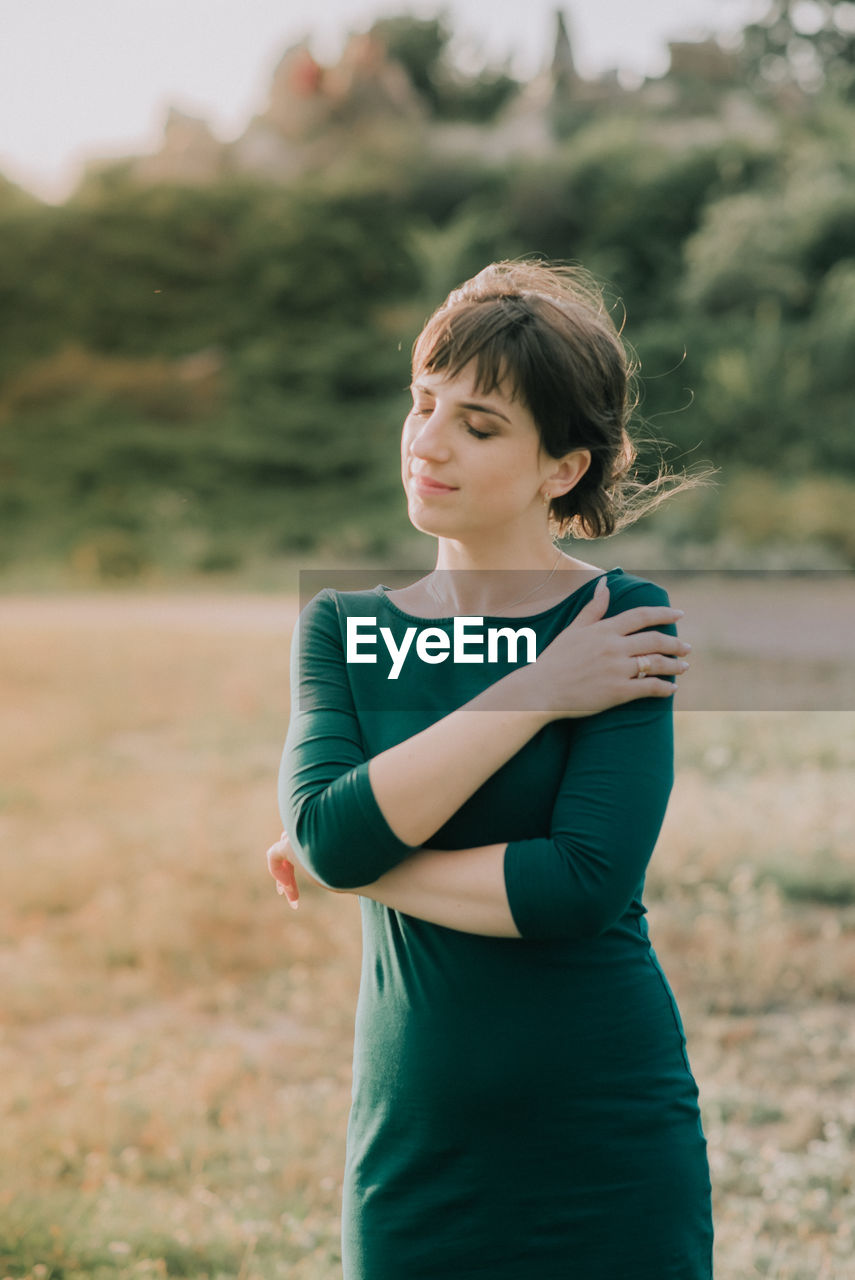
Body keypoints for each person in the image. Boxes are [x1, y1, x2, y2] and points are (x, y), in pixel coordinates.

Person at [271, 259, 715, 1278]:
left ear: (562, 467)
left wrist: (356, 856)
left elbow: (577, 884)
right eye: (423, 403)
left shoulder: (620, 621)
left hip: (606, 1135)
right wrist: (540, 689)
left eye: (477, 424)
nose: (428, 441)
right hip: (417, 1147)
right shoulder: (342, 628)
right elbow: (329, 833)